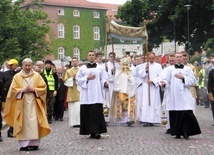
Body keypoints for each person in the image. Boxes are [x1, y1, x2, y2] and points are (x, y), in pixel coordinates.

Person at [3, 58, 51, 151]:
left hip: (34, 103)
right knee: (23, 123)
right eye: (26, 65)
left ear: (32, 66)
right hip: (21, 103)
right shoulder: (17, 77)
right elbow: (12, 90)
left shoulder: (37, 76)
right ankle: (23, 144)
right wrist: (22, 90)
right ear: (23, 65)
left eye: (29, 65)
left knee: (34, 123)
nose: (28, 67)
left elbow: (43, 88)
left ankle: (34, 143)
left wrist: (34, 90)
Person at [160, 52, 201, 140]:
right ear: (174, 58)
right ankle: (177, 132)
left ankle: (186, 132)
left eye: (180, 57)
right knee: (175, 114)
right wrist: (164, 83)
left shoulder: (188, 69)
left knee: (186, 113)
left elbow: (193, 81)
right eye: (177, 57)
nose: (178, 58)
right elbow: (166, 80)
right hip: (174, 96)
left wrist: (183, 78)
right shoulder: (169, 69)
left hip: (184, 95)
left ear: (183, 58)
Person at [76, 50, 108, 139]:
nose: (91, 56)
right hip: (86, 95)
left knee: (97, 113)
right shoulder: (82, 68)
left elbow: (104, 78)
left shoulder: (100, 68)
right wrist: (87, 78)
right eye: (89, 55)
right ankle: (90, 131)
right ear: (87, 56)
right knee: (88, 114)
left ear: (95, 57)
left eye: (93, 55)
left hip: (97, 94)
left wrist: (105, 83)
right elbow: (78, 80)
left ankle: (97, 132)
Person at [110, 55, 136, 126]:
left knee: (127, 105)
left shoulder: (130, 72)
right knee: (121, 104)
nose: (124, 67)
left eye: (126, 65)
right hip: (121, 91)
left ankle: (128, 119)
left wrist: (128, 77)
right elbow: (116, 80)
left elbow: (132, 81)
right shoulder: (118, 72)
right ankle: (120, 119)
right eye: (123, 65)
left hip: (128, 92)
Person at [138, 52, 162, 126]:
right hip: (146, 87)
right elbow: (140, 75)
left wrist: (153, 81)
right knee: (145, 103)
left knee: (153, 103)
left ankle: (153, 119)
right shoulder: (144, 65)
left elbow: (160, 76)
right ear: (148, 58)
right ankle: (145, 119)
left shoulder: (158, 66)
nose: (151, 60)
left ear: (154, 58)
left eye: (152, 58)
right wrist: (146, 70)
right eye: (150, 58)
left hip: (154, 87)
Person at [2, 59, 21, 137]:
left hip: (17, 97)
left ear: (16, 65)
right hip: (7, 97)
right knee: (10, 113)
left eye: (11, 65)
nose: (10, 66)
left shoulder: (19, 74)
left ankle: (15, 129)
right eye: (9, 65)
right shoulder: (5, 74)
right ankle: (11, 129)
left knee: (16, 113)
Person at [62, 57, 80, 127]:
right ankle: (74, 122)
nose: (75, 62)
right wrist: (73, 78)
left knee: (79, 108)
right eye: (73, 61)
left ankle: (79, 122)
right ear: (72, 63)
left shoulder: (81, 70)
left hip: (79, 91)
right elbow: (65, 81)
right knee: (72, 109)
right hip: (71, 91)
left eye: (76, 61)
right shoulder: (68, 71)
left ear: (78, 62)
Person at [43, 59, 58, 123]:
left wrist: (55, 90)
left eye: (49, 64)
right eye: (46, 64)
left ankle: (50, 117)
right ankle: (45, 116)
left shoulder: (54, 73)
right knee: (45, 104)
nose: (47, 65)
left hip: (52, 91)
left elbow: (56, 82)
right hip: (45, 91)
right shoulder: (43, 72)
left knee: (51, 104)